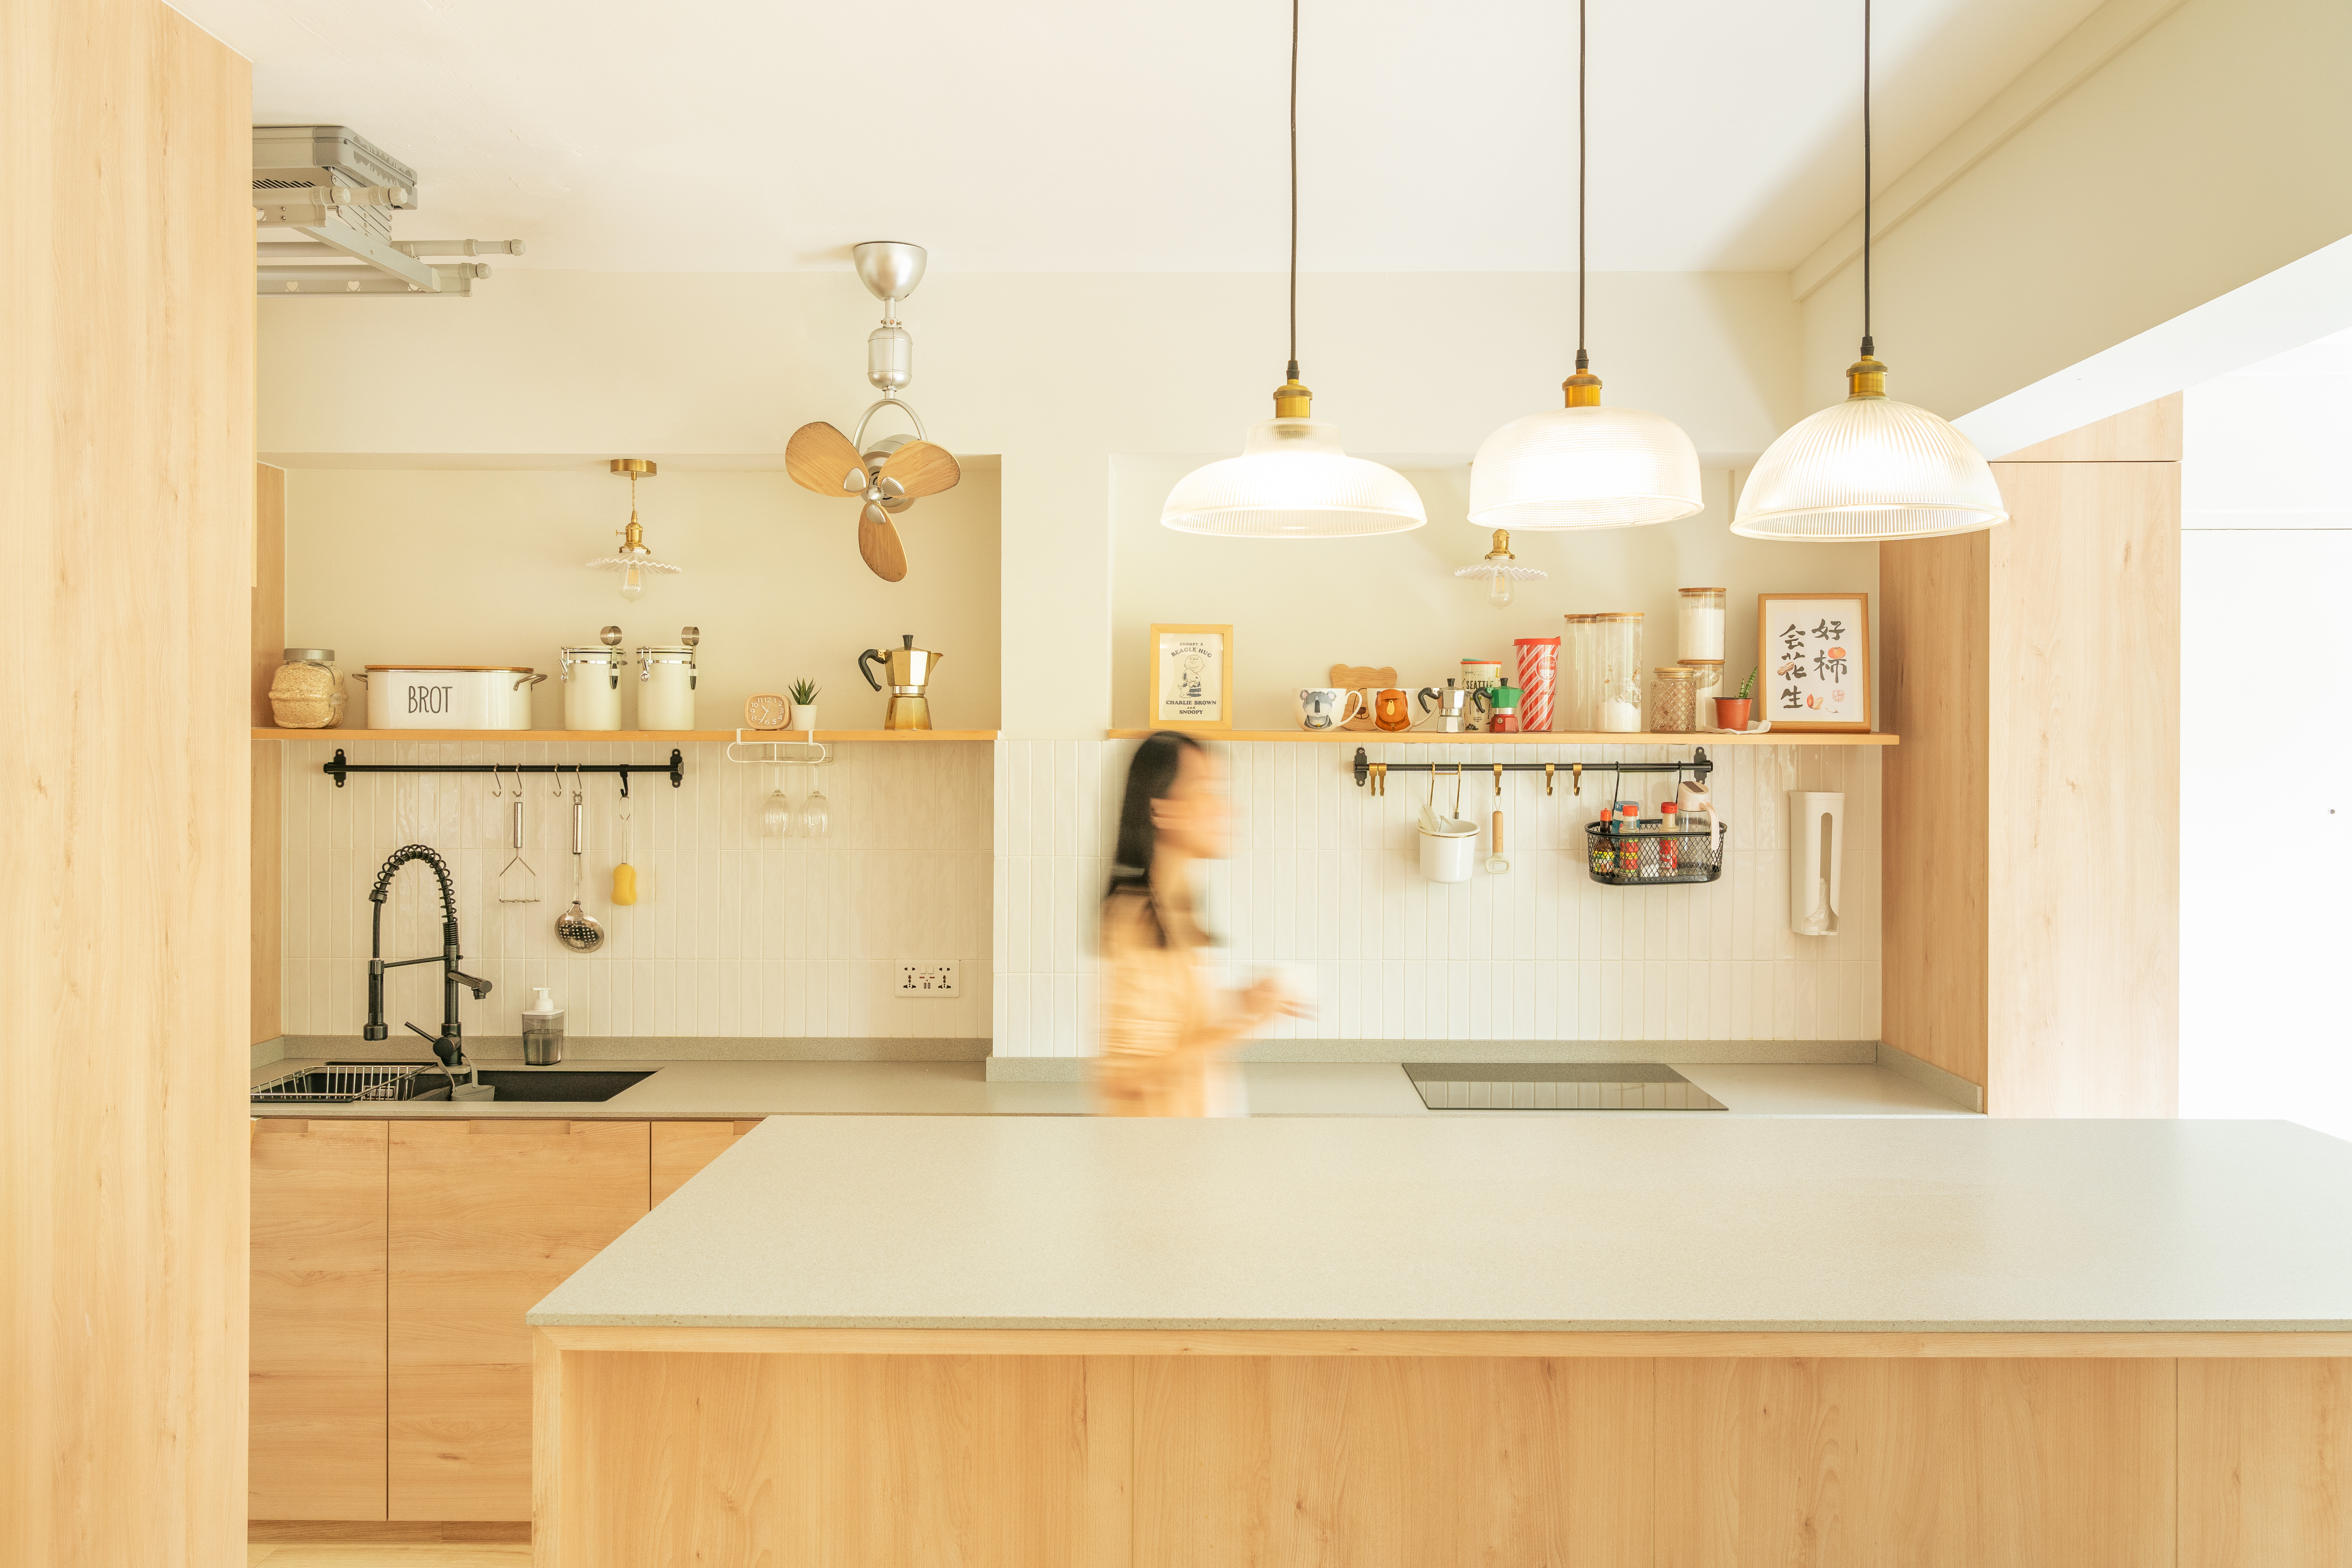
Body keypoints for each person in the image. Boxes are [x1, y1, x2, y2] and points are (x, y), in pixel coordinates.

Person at [1095, 731, 1304, 1117]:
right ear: (1161, 809)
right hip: (1159, 1164)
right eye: (1207, 789)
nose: (1229, 808)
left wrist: (1243, 999)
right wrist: (1244, 1022)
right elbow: (1127, 1074)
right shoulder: (1137, 918)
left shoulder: (1178, 902)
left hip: (1190, 1151)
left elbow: (1175, 1025)